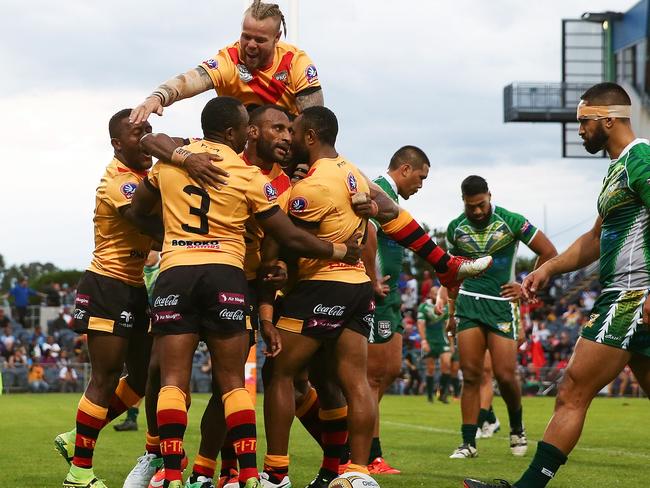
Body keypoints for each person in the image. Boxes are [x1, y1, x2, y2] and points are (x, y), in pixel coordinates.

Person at [129, 97, 362, 488]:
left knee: (171, 378)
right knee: (234, 382)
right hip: (228, 275)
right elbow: (286, 233)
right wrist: (339, 250)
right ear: (239, 132)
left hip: (177, 271)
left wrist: (173, 231)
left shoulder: (170, 163)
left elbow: (138, 210)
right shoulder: (247, 174)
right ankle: (251, 474)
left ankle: (172, 474)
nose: (284, 136)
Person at [465, 82, 650, 487]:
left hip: (631, 297)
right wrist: (547, 269)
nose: (579, 129)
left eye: (583, 121)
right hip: (629, 297)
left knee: (571, 391)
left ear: (609, 119)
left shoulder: (641, 158)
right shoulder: (617, 169)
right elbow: (593, 240)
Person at [445, 175, 557, 460]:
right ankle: (468, 443)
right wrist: (451, 312)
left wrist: (526, 284)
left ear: (490, 196)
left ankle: (517, 427)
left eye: (481, 204)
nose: (478, 211)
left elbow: (549, 252)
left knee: (506, 376)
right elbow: (451, 274)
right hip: (469, 305)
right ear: (464, 203)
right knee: (470, 376)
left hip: (501, 305)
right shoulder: (455, 229)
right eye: (472, 207)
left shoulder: (512, 221)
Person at [130, 0, 323, 126]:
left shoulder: (295, 62)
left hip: (285, 152)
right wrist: (156, 98)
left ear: (276, 38)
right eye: (246, 37)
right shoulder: (229, 60)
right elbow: (188, 80)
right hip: (240, 151)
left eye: (260, 40)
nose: (251, 45)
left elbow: (315, 121)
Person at [114, 251, 161, 433]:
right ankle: (132, 417)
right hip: (138, 330)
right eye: (146, 250)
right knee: (139, 377)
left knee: (153, 377)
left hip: (157, 331)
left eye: (152, 250)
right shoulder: (136, 272)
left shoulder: (164, 271)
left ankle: (160, 419)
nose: (148, 254)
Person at [417, 286, 452, 403]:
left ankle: (442, 393)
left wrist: (451, 343)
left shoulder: (445, 307)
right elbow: (420, 324)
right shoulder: (424, 307)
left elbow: (448, 326)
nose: (436, 295)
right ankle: (430, 396)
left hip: (442, 339)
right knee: (430, 368)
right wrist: (423, 340)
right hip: (429, 340)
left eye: (438, 293)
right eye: (434, 293)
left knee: (447, 364)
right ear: (430, 294)